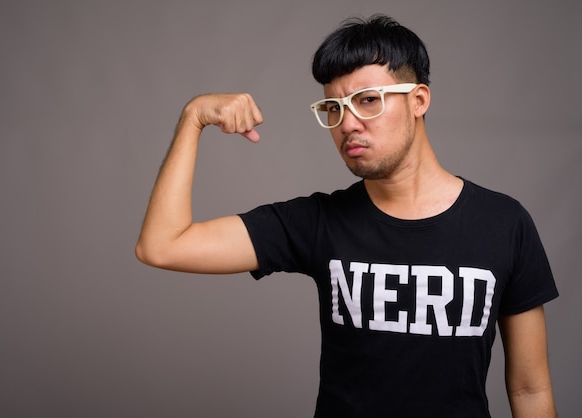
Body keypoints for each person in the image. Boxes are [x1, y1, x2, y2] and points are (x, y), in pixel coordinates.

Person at [135, 14, 558, 418]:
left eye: (367, 101)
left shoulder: (504, 223)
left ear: (418, 100)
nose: (348, 124)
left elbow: (530, 388)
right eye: (333, 108)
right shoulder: (319, 221)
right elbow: (162, 245)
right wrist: (193, 118)